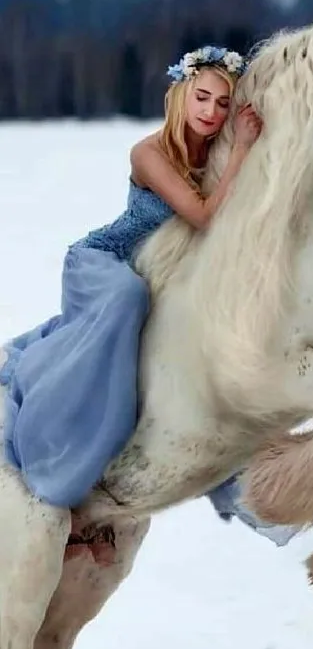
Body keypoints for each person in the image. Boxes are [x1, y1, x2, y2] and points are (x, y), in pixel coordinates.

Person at [0, 44, 297, 548]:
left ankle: (238, 480)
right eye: (202, 98)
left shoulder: (215, 154)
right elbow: (203, 215)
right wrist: (243, 150)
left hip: (156, 273)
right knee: (127, 300)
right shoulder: (150, 152)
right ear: (180, 95)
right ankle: (59, 446)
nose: (211, 112)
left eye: (223, 104)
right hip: (105, 264)